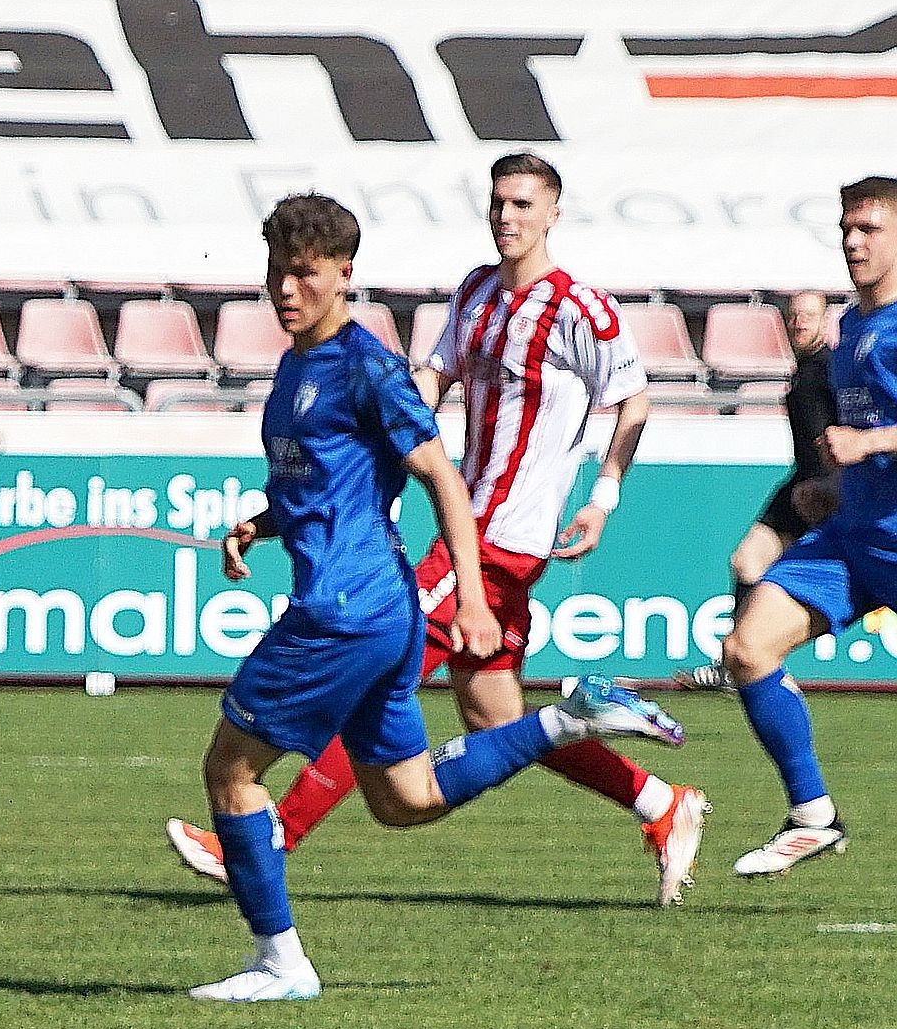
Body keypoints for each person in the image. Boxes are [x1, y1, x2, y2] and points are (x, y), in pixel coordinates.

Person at [168, 153, 708, 908]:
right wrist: (364, 427)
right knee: (496, 720)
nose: (507, 217)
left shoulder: (581, 309)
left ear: (554, 213)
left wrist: (603, 496)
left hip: (501, 531)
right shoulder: (476, 292)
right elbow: (428, 384)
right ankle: (659, 801)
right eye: (498, 202)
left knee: (365, 663)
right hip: (476, 527)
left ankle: (271, 836)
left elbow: (633, 399)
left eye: (523, 204)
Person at [721, 176, 897, 876]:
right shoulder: (850, 328)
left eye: (870, 229)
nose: (853, 241)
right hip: (853, 538)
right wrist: (834, 484)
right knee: (747, 648)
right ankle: (813, 816)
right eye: (846, 228)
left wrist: (871, 442)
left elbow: (871, 434)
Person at [675, 291, 839, 693]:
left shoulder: (830, 370)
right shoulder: (804, 371)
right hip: (801, 485)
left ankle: (756, 662)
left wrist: (830, 485)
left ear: (824, 321)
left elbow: (838, 436)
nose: (799, 322)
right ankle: (737, 665)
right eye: (794, 316)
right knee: (747, 562)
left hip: (826, 490)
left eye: (808, 316)